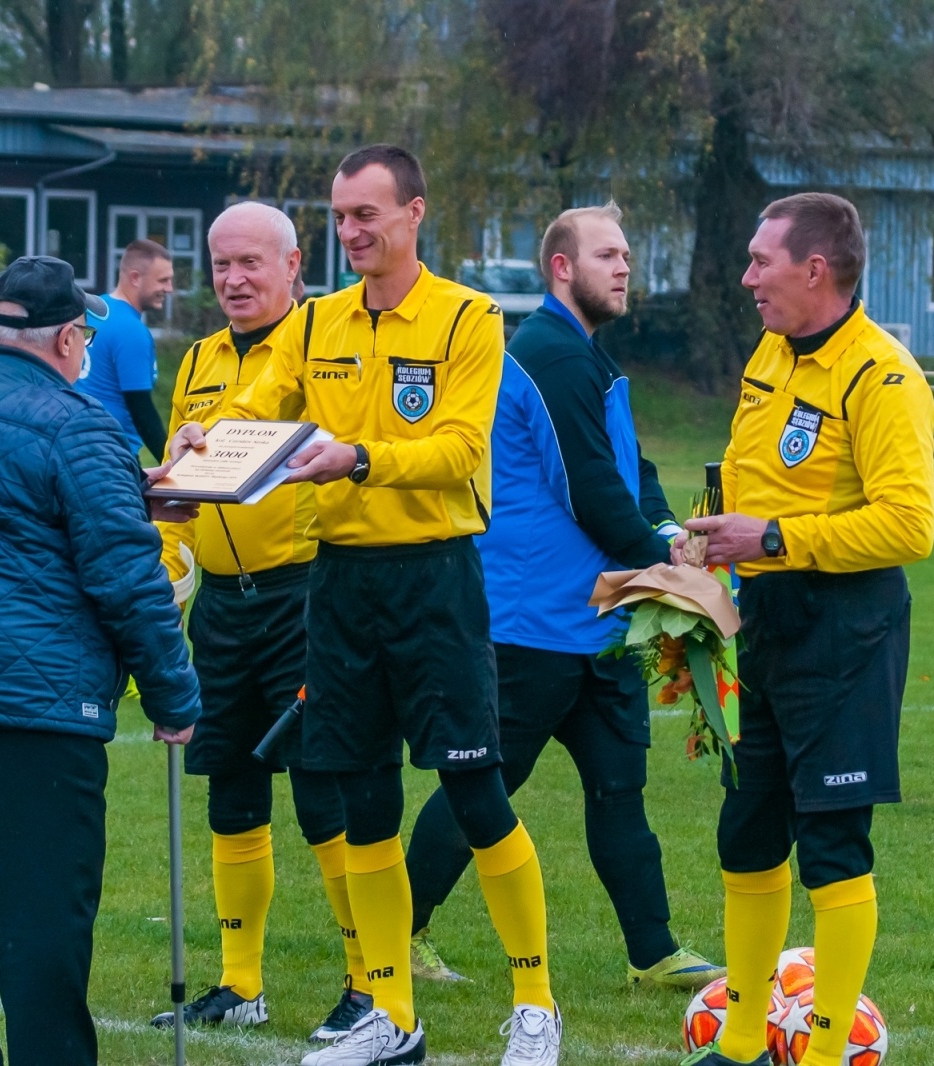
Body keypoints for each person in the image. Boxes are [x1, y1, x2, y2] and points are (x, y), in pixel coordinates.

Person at [177, 144, 562, 1066]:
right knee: (363, 802)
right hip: (339, 585)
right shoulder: (316, 326)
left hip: (434, 579)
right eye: (340, 216)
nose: (351, 232)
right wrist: (206, 440)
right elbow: (262, 408)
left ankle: (536, 1006)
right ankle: (392, 1019)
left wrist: (358, 456)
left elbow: (463, 450)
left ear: (414, 214)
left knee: (475, 790)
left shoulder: (469, 318)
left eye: (367, 215)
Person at [0, 255, 202, 1066]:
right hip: (34, 702)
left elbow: (17, 503)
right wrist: (174, 696)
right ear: (68, 336)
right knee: (42, 925)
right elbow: (128, 576)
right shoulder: (79, 422)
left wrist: (133, 487)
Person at [403, 203, 724, 993]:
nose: (624, 268)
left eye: (627, 254)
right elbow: (585, 491)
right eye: (608, 254)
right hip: (530, 625)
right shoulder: (547, 352)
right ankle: (396, 930)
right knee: (481, 782)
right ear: (560, 268)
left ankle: (652, 950)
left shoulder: (592, 359)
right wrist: (667, 560)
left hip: (599, 625)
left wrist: (670, 529)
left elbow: (631, 471)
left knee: (621, 790)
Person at [674, 193, 934, 1066]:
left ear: (814, 269)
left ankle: (825, 1055)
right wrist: (708, 536)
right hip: (764, 619)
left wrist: (776, 539)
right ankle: (742, 1043)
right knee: (746, 832)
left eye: (760, 262)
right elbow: (751, 480)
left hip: (846, 628)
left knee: (831, 841)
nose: (746, 278)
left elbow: (909, 526)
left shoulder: (882, 376)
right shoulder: (772, 354)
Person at [150, 202, 370, 1043]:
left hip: (303, 596)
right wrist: (160, 568)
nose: (234, 281)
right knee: (232, 791)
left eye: (251, 264)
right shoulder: (202, 358)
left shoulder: (326, 345)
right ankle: (241, 984)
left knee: (323, 790)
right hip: (224, 609)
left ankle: (365, 979)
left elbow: (341, 450)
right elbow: (177, 491)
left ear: (292, 267)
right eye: (221, 266)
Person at [78, 238, 173, 458]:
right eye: (163, 280)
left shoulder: (94, 311)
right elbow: (141, 410)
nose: (169, 289)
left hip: (77, 445)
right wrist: (172, 465)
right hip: (113, 454)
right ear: (135, 278)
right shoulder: (131, 330)